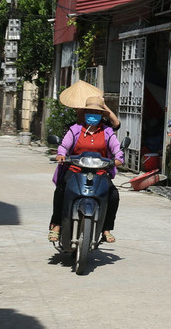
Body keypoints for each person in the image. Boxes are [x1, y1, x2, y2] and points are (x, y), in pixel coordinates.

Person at [49, 96, 123, 243]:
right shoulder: (75, 129)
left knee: (113, 195)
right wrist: (61, 155)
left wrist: (118, 158)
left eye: (96, 112)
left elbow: (116, 147)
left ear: (101, 115)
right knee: (61, 190)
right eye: (89, 111)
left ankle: (106, 228)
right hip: (76, 169)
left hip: (100, 171)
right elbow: (64, 146)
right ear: (84, 113)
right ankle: (56, 224)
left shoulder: (107, 131)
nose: (92, 115)